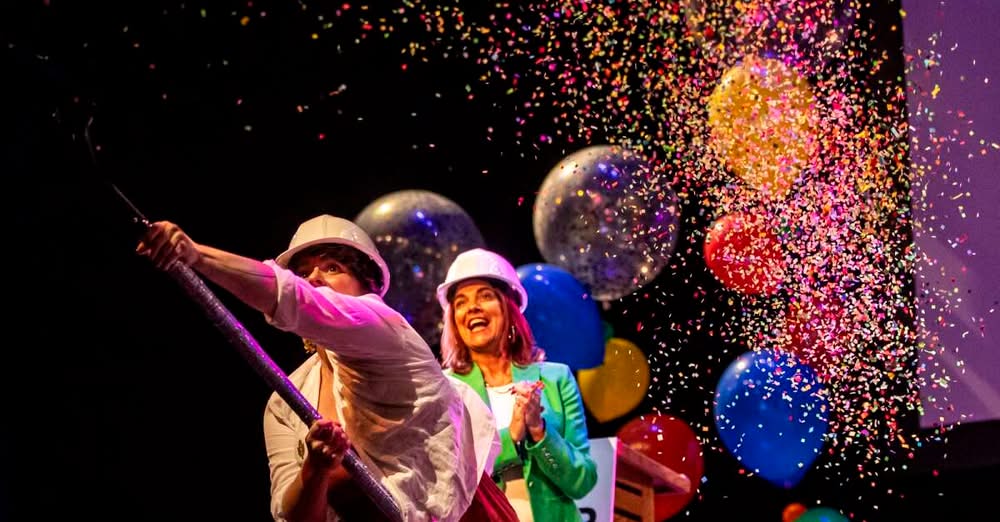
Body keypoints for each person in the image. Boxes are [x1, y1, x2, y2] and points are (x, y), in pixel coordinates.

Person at [137, 215, 517, 522]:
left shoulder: (388, 330)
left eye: (333, 267)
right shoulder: (284, 403)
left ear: (366, 288)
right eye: (303, 272)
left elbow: (296, 299)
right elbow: (294, 516)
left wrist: (197, 255)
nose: (314, 279)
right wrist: (314, 471)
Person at [436, 248, 599, 522]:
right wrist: (509, 439)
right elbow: (446, 484)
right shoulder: (446, 388)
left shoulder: (557, 378)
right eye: (461, 302)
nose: (472, 307)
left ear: (508, 309)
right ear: (454, 320)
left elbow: (583, 481)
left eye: (485, 296)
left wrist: (540, 431)